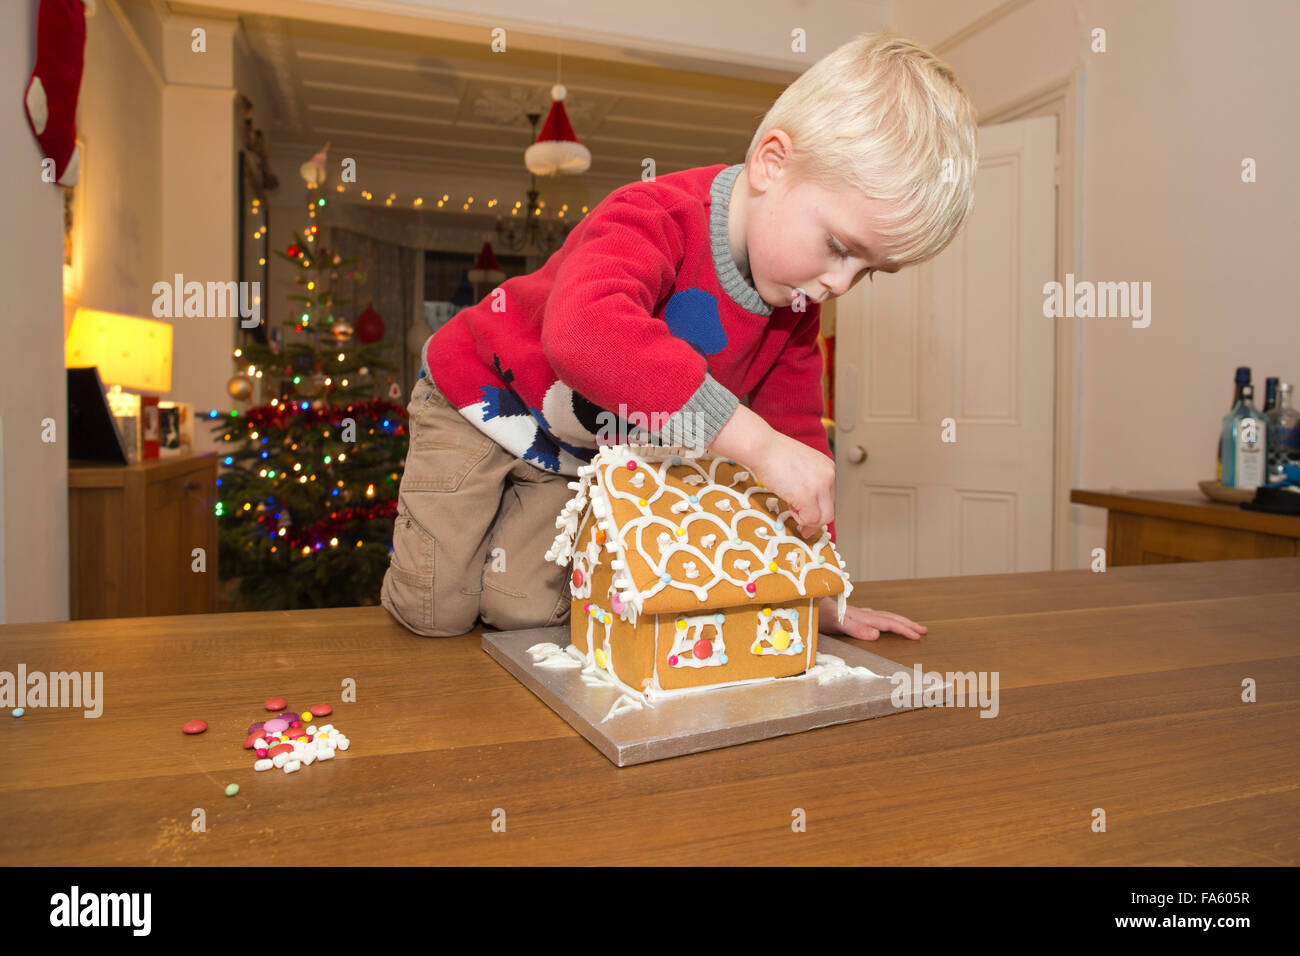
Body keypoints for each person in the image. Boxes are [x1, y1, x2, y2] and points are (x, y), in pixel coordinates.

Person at [382, 32, 977, 644]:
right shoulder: (654, 214)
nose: (840, 283)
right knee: (438, 610)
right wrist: (754, 441)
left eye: (869, 270)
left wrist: (814, 588)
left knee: (524, 613)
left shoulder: (796, 303)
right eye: (838, 247)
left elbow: (797, 448)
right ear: (773, 163)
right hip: (479, 397)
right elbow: (585, 333)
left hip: (567, 451)